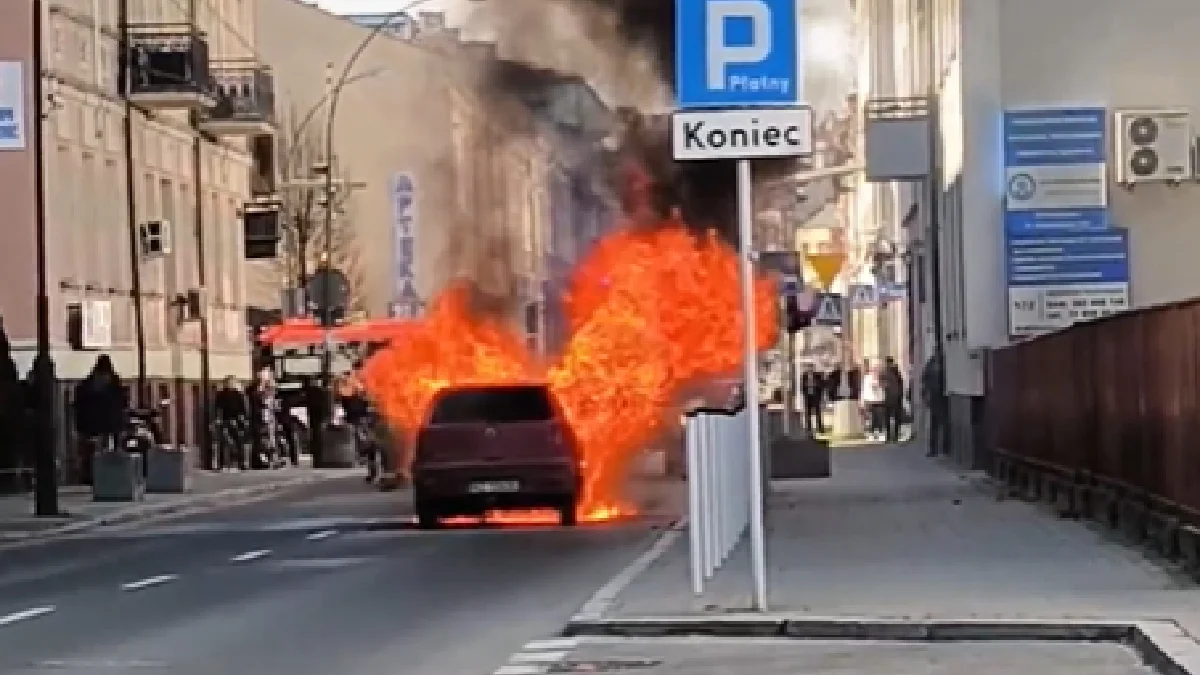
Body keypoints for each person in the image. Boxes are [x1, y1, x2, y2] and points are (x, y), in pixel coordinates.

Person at [73, 355, 129, 483]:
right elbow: (122, 401)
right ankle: (111, 473)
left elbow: (80, 401)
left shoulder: (90, 382)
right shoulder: (113, 381)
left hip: (92, 423)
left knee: (92, 449)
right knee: (112, 448)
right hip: (109, 422)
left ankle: (90, 474)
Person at [213, 376, 250, 470]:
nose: (231, 384)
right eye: (229, 382)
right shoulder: (221, 394)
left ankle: (241, 463)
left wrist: (244, 419)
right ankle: (222, 464)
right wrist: (218, 418)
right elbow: (218, 408)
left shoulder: (238, 394)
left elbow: (243, 408)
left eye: (232, 382)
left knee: (239, 442)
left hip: (237, 420)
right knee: (225, 442)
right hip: (225, 421)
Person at [921, 348, 948, 457]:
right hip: (940, 397)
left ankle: (936, 449)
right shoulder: (942, 363)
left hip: (936, 397)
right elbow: (925, 381)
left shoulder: (931, 364)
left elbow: (924, 381)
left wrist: (925, 396)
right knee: (940, 423)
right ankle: (942, 449)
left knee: (936, 424)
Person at [859, 360, 886, 442]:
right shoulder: (867, 378)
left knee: (880, 418)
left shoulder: (882, 377)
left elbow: (885, 387)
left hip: (879, 400)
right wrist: (862, 400)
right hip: (870, 400)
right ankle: (872, 434)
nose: (876, 370)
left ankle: (880, 434)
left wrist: (879, 385)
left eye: (878, 368)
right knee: (871, 418)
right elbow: (863, 390)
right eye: (874, 368)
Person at [882, 357, 906, 443]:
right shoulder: (895, 371)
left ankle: (890, 437)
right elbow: (901, 383)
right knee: (894, 417)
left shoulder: (888, 371)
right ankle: (893, 437)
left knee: (890, 417)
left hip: (891, 397)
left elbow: (883, 383)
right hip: (894, 396)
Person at [798, 364, 826, 435]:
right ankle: (809, 428)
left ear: (813, 368)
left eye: (811, 368)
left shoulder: (818, 375)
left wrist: (816, 385)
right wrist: (805, 392)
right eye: (808, 368)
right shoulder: (804, 376)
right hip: (808, 397)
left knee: (818, 413)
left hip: (816, 396)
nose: (810, 369)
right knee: (808, 413)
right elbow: (801, 386)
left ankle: (819, 428)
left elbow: (822, 385)